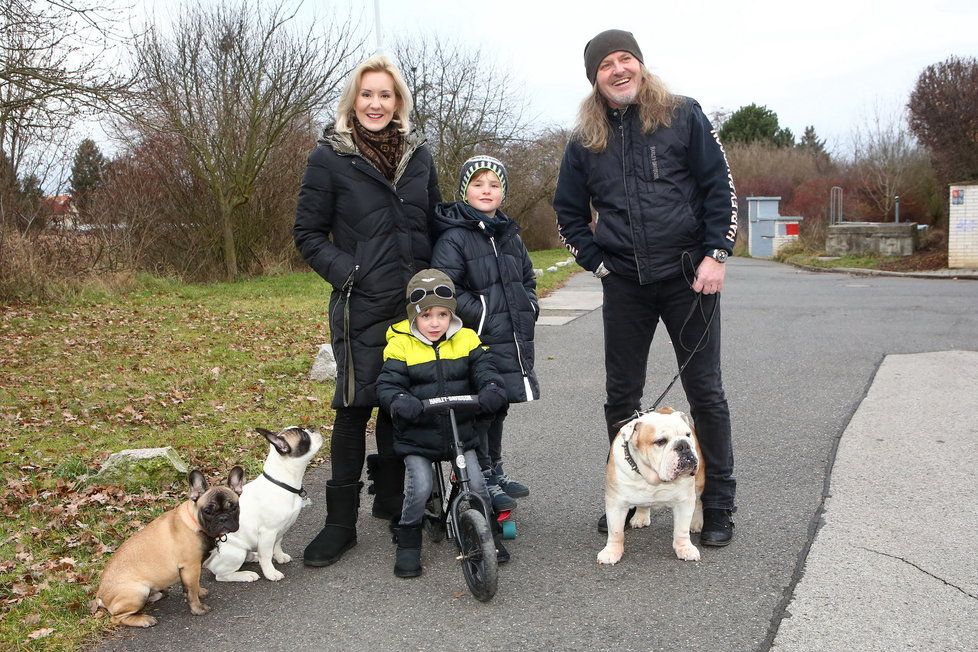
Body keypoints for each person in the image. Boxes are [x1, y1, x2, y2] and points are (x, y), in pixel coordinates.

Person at [552, 29, 739, 546]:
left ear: (640, 63)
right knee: (621, 396)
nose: (618, 69)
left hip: (689, 278)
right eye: (606, 64)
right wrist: (597, 264)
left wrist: (716, 254)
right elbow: (567, 212)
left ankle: (717, 500)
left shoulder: (683, 113)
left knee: (705, 392)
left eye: (626, 58)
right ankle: (628, 495)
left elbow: (719, 188)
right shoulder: (583, 139)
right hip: (626, 284)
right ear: (594, 77)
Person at [293, 54, 441, 567]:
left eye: (385, 94)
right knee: (354, 408)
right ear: (352, 101)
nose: (375, 103)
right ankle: (339, 526)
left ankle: (395, 500)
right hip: (361, 304)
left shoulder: (420, 156)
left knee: (402, 404)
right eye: (366, 94)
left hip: (418, 306)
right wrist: (348, 272)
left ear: (398, 101)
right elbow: (307, 235)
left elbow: (435, 224)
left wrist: (443, 279)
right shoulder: (329, 158)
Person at [376, 269, 510, 577]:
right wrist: (399, 400)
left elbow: (485, 369)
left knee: (476, 483)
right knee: (420, 486)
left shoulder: (466, 339)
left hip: (459, 432)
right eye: (426, 316)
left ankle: (486, 533)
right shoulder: (400, 344)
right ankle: (409, 540)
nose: (435, 323)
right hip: (417, 435)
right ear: (414, 317)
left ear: (452, 314)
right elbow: (388, 384)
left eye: (442, 314)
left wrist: (491, 388)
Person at [430, 155, 539, 513]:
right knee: (483, 409)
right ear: (465, 190)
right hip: (478, 338)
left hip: (511, 335)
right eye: (478, 184)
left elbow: (527, 280)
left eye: (493, 184)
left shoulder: (510, 236)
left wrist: (529, 307)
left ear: (503, 193)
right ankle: (483, 475)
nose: (486, 190)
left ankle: (496, 468)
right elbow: (448, 289)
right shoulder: (454, 237)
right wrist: (485, 316)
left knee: (501, 402)